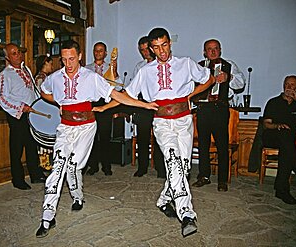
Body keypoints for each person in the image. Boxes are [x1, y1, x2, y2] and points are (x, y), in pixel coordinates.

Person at [35, 40, 158, 238]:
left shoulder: (91, 77)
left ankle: (77, 197)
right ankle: (47, 217)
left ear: (80, 56)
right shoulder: (55, 77)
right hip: (65, 127)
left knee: (74, 165)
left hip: (86, 126)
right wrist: (60, 101)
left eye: (72, 58)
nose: (68, 63)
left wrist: (142, 105)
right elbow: (44, 92)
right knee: (58, 167)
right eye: (64, 59)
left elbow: (116, 95)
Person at [125, 27, 219, 237]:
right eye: (156, 47)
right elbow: (128, 94)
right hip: (162, 123)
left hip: (184, 120)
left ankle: (164, 200)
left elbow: (210, 79)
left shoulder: (185, 63)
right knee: (174, 162)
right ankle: (186, 214)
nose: (162, 51)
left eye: (165, 45)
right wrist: (142, 105)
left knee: (183, 168)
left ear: (170, 43)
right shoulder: (145, 71)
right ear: (151, 49)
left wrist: (190, 95)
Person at [192, 39, 246, 192]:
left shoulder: (229, 65)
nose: (213, 51)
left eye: (216, 48)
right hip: (202, 109)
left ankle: (222, 180)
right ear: (205, 52)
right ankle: (204, 176)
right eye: (210, 49)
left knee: (222, 145)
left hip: (220, 109)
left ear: (220, 50)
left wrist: (229, 78)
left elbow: (240, 84)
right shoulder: (199, 66)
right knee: (203, 145)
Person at [0, 43, 46, 190]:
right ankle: (17, 179)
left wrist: (40, 104)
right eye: (13, 53)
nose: (18, 55)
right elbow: (2, 98)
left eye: (18, 52)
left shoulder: (26, 69)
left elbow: (33, 90)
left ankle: (35, 174)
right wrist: (20, 107)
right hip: (17, 115)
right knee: (17, 148)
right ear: (7, 57)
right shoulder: (5, 75)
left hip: (31, 114)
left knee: (32, 144)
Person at [262, 75, 296, 204]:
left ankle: (281, 189)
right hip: (272, 135)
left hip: (290, 141)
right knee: (286, 136)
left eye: (292, 85)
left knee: (287, 148)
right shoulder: (273, 102)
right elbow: (266, 124)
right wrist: (278, 126)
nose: (289, 88)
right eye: (287, 84)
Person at [84, 42, 123, 176]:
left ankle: (107, 166)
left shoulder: (110, 68)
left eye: (101, 51)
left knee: (105, 137)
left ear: (105, 53)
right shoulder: (86, 69)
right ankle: (93, 165)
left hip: (105, 105)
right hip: (91, 105)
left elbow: (117, 88)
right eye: (96, 51)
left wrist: (114, 71)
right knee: (91, 137)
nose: (98, 53)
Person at [131, 36, 166, 178]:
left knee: (160, 138)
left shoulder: (162, 64)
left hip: (158, 105)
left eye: (146, 49)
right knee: (143, 137)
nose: (145, 53)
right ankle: (142, 167)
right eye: (142, 50)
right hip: (143, 105)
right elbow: (134, 88)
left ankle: (161, 168)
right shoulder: (140, 67)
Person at [34, 55, 55, 172]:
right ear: (45, 64)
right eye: (50, 63)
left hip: (47, 111)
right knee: (44, 139)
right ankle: (44, 164)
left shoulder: (46, 77)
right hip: (43, 111)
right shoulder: (41, 78)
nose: (52, 66)